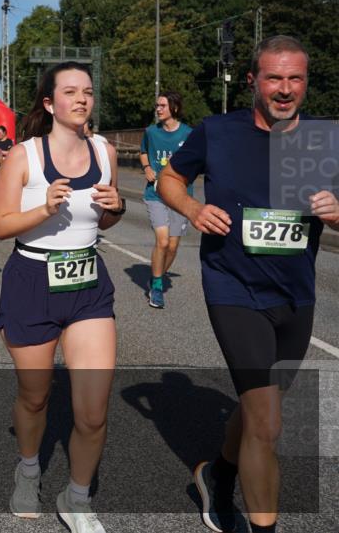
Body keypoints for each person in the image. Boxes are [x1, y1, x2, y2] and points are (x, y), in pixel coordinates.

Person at [159, 36, 338, 533]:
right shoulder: (217, 132)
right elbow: (168, 180)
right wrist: (193, 208)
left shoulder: (325, 141)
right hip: (233, 288)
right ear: (253, 80)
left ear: (306, 82)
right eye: (274, 78)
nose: (285, 89)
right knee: (268, 424)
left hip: (296, 295)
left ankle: (217, 472)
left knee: (261, 406)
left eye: (295, 78)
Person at [0, 61, 124, 532]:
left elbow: (104, 220)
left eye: (87, 91)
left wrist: (117, 209)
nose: (82, 99)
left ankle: (78, 497)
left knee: (92, 411)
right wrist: (42, 209)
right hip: (31, 282)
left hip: (88, 286)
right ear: (50, 103)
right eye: (70, 92)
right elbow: (1, 225)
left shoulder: (104, 151)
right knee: (35, 398)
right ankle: (29, 469)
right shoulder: (23, 156)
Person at [139, 91, 193, 309]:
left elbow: (197, 160)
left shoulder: (189, 134)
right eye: (157, 105)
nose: (158, 109)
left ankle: (156, 274)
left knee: (172, 246)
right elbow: (143, 151)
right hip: (156, 194)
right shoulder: (151, 132)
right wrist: (147, 167)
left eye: (162, 105)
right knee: (162, 241)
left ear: (175, 108)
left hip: (181, 196)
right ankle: (158, 287)